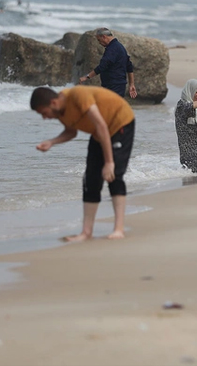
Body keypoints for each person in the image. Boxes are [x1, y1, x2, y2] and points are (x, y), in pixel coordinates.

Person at [30, 85, 135, 242]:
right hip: (99, 132)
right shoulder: (60, 112)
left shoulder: (78, 95)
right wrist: (52, 142)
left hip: (120, 123)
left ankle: (118, 229)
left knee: (114, 175)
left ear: (53, 103)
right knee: (90, 179)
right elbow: (71, 132)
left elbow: (101, 125)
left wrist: (109, 162)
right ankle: (86, 232)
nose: (45, 118)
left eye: (44, 113)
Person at [80, 28, 138, 99]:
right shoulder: (119, 47)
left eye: (99, 40)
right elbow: (129, 66)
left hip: (113, 86)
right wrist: (131, 84)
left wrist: (87, 77)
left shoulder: (112, 49)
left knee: (109, 108)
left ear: (104, 36)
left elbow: (102, 66)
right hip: (119, 86)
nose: (99, 43)